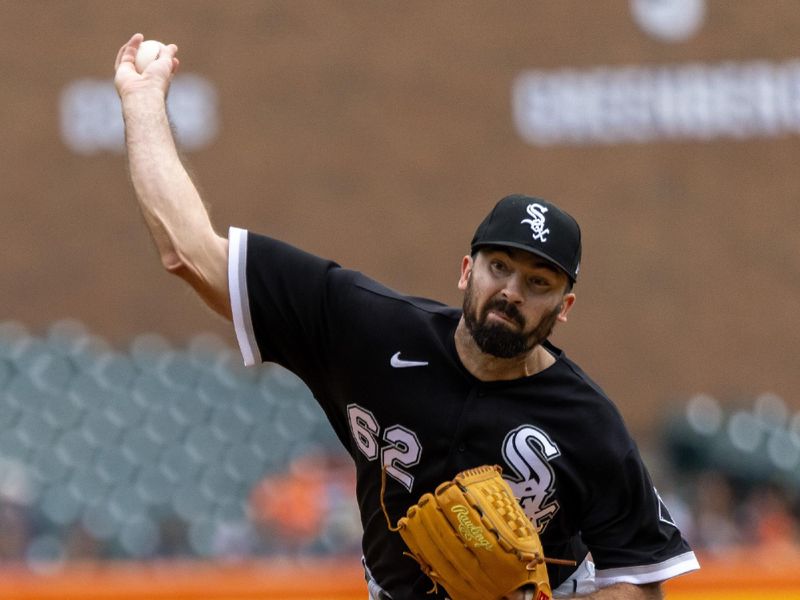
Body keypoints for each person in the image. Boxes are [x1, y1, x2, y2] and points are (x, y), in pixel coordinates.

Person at [113, 34, 699, 600]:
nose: (512, 291)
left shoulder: (588, 424)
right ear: (466, 270)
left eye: (538, 282)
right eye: (499, 267)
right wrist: (142, 104)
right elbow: (189, 253)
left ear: (563, 307)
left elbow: (641, 577)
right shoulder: (366, 328)